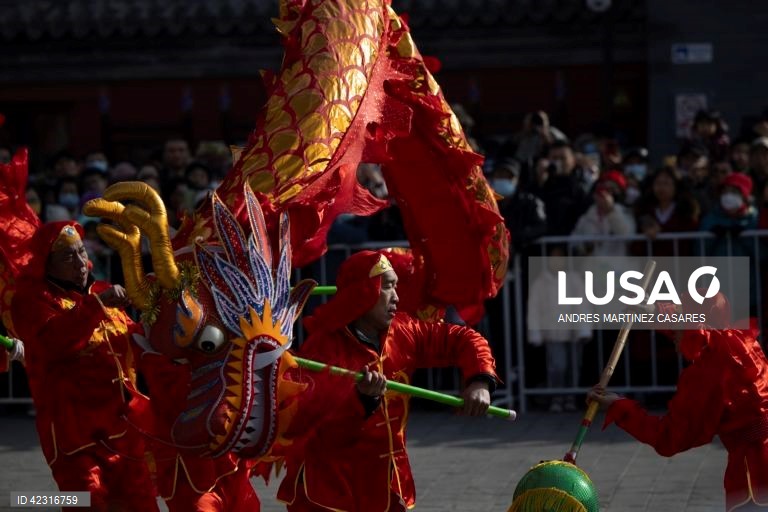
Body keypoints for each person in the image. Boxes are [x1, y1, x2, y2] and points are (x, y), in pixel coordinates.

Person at [277, 250, 499, 511]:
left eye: (396, 286)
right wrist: (362, 402)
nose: (396, 297)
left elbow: (464, 339)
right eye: (388, 287)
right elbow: (318, 435)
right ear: (363, 292)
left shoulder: (403, 332)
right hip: (331, 492)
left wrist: (479, 380)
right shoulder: (323, 351)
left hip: (388, 486)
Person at [9, 221, 159, 511]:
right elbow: (54, 343)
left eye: (81, 252)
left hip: (122, 429)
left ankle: (26, 501)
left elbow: (136, 345)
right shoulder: (31, 301)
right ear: (46, 265)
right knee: (85, 501)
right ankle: (25, 501)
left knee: (141, 504)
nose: (80, 263)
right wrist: (96, 305)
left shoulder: (102, 291)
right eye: (68, 257)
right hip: (74, 433)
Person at [588, 291, 768, 512]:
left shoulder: (707, 371)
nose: (672, 335)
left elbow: (668, 438)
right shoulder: (739, 341)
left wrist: (619, 406)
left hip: (756, 468)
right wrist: (651, 313)